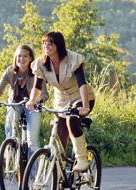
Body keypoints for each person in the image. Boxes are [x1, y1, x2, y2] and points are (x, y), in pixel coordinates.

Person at [25, 31, 95, 172]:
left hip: (81, 97)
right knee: (59, 138)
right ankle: (58, 181)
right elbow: (37, 87)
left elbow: (82, 84)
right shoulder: (41, 63)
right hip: (61, 101)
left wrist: (85, 106)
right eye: (44, 43)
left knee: (72, 120)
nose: (46, 46)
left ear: (58, 45)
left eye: (50, 43)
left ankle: (82, 159)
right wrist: (32, 100)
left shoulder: (73, 59)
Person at [0, 45, 49, 155]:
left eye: (25, 56)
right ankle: (10, 160)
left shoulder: (36, 72)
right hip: (16, 104)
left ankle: (33, 172)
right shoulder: (10, 71)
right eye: (19, 56)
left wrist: (36, 101)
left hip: (32, 106)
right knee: (10, 132)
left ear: (30, 58)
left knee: (32, 141)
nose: (21, 59)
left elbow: (44, 94)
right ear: (15, 57)